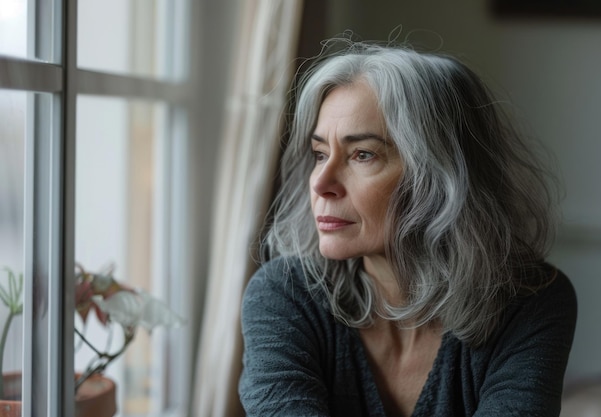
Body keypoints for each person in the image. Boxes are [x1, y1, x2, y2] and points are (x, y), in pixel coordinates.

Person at [238, 40, 577, 417]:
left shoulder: (531, 302)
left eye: (362, 154)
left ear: (440, 175)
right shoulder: (284, 295)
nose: (320, 183)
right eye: (320, 154)